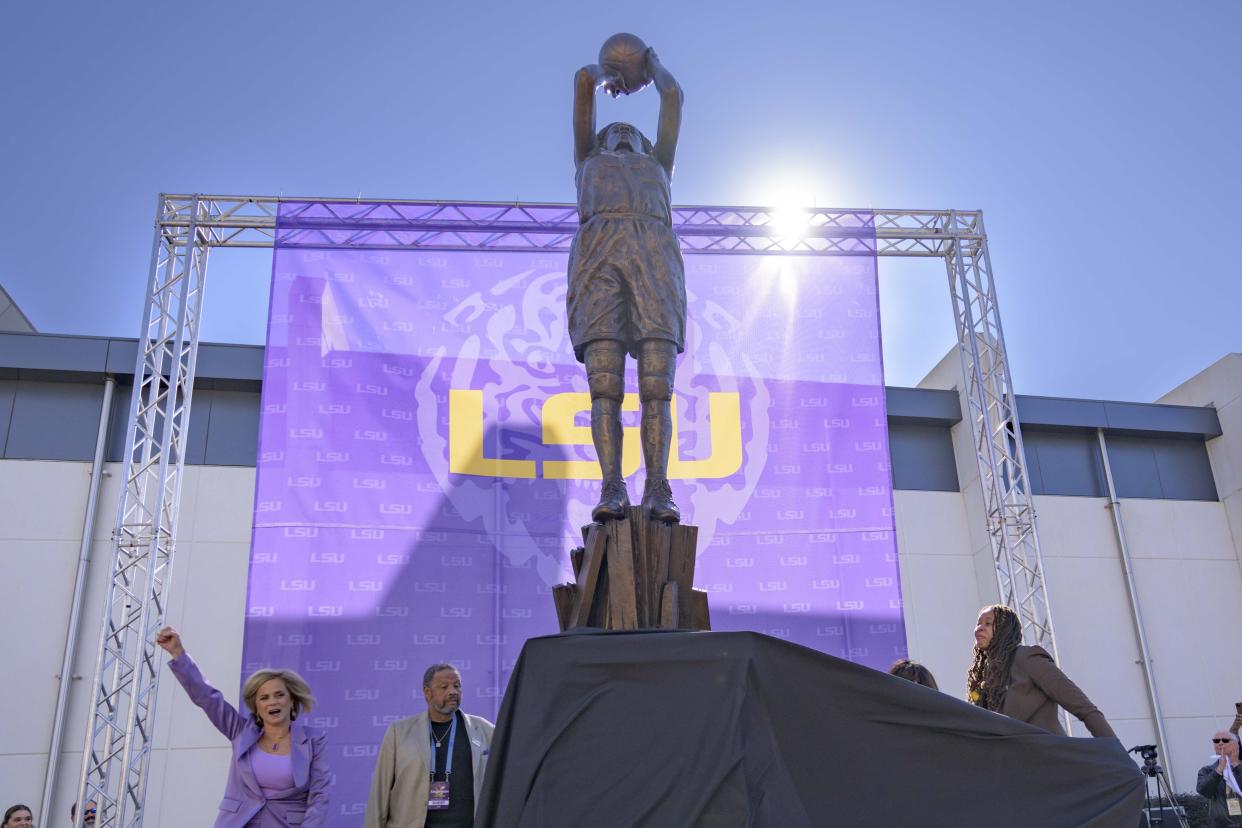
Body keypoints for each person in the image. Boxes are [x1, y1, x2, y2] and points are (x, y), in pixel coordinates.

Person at [569, 40, 686, 524]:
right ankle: (612, 484)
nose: (621, 132)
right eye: (612, 129)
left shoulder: (659, 164)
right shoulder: (585, 161)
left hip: (654, 261)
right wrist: (610, 74)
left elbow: (673, 96)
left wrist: (651, 64)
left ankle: (658, 486)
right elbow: (581, 80)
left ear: (644, 145)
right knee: (605, 387)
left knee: (657, 385)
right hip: (598, 260)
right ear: (598, 142)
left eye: (630, 131)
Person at [155, 626, 330, 826]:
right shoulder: (240, 730)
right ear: (256, 706)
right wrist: (178, 653)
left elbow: (320, 796)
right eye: (264, 698)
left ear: (292, 700)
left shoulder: (314, 740)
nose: (272, 702)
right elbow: (208, 697)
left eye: (279, 695)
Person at [365, 663, 495, 828]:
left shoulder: (483, 729)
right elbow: (380, 792)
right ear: (427, 692)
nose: (453, 691)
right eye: (444, 686)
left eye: (457, 686)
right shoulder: (399, 732)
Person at [966, 604, 1115, 737]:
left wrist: (1116, 754)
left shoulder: (1027, 658)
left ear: (1004, 629)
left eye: (988, 623)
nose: (980, 627)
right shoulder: (981, 677)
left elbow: (1081, 705)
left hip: (1048, 758)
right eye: (978, 623)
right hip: (1009, 762)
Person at [1197, 730, 1242, 827]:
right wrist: (1219, 770)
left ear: (1236, 744)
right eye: (1216, 741)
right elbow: (1204, 791)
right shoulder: (1207, 770)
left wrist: (1237, 765)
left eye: (1225, 740)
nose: (1220, 743)